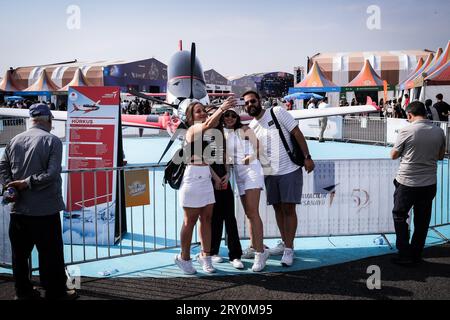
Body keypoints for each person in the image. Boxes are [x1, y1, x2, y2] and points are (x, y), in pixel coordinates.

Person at [0, 104, 77, 300]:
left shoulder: (14, 140)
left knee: (20, 256)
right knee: (50, 255)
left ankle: (23, 292)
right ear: (49, 120)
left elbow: (2, 166)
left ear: (31, 120)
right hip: (45, 211)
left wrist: (10, 187)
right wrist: (26, 183)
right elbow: (51, 175)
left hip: (18, 211)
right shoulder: (52, 141)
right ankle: (54, 292)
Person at [243, 90, 315, 267]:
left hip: (289, 169)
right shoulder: (252, 127)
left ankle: (289, 249)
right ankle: (284, 243)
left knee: (289, 209)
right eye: (246, 103)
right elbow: (254, 152)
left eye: (253, 101)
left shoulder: (277, 112)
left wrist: (307, 157)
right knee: (278, 210)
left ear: (259, 101)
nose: (250, 105)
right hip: (269, 174)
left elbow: (297, 133)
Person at [174, 97, 236, 275]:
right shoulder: (193, 130)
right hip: (192, 179)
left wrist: (216, 178)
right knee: (190, 221)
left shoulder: (206, 135)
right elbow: (209, 123)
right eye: (198, 111)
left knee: (207, 219)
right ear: (190, 117)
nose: (202, 113)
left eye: (203, 110)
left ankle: (206, 256)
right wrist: (222, 108)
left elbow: (207, 162)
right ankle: (184, 258)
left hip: (206, 178)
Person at [390, 101, 446, 266]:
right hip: (429, 182)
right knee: (422, 220)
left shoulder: (406, 130)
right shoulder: (439, 131)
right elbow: (441, 156)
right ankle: (416, 253)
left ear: (409, 115)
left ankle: (404, 251)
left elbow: (393, 155)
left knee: (399, 215)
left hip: (407, 181)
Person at [222, 107, 268, 272]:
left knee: (253, 213)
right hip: (239, 175)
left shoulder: (245, 129)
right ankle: (255, 246)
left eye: (232, 115)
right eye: (226, 115)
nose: (229, 118)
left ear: (237, 117)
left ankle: (260, 253)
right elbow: (227, 159)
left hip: (252, 171)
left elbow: (259, 149)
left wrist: (249, 158)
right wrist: (227, 173)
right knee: (249, 214)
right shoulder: (223, 134)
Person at [204, 106, 244, 270]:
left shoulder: (221, 134)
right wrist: (214, 178)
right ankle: (212, 251)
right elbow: (204, 159)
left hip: (223, 179)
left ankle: (235, 255)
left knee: (229, 217)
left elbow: (226, 156)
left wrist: (227, 174)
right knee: (214, 218)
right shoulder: (202, 134)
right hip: (209, 180)